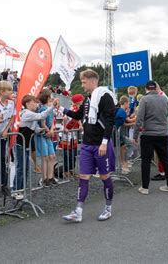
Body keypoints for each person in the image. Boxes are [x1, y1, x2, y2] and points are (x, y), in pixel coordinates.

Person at [62, 69, 116, 223]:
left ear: (93, 81)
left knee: (105, 177)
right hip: (86, 144)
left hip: (101, 144)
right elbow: (79, 115)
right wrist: (61, 108)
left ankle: (108, 208)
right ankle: (78, 211)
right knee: (83, 177)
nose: (83, 85)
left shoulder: (105, 96)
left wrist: (105, 142)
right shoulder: (87, 99)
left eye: (84, 82)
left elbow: (110, 120)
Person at [133, 81, 168, 195]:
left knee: (146, 160)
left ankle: (145, 187)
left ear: (146, 89)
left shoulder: (144, 100)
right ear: (156, 88)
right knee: (165, 159)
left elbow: (139, 119)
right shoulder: (164, 99)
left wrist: (135, 135)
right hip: (162, 134)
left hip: (148, 134)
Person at [14, 95, 57, 197]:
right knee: (21, 168)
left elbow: (35, 127)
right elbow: (42, 116)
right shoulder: (26, 113)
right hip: (20, 144)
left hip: (26, 143)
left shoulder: (30, 114)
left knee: (25, 168)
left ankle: (22, 189)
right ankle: (16, 190)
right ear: (28, 104)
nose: (36, 104)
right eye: (34, 102)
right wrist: (52, 106)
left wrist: (40, 130)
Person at [35, 89, 57, 187]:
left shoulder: (49, 108)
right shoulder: (43, 109)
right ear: (48, 97)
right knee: (45, 157)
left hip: (47, 134)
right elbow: (42, 123)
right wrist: (49, 131)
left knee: (52, 156)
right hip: (42, 135)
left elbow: (52, 121)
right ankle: (44, 179)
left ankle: (50, 177)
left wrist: (51, 130)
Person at [61, 94, 84, 179]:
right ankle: (66, 171)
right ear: (78, 101)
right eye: (82, 100)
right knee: (67, 153)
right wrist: (64, 128)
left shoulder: (77, 109)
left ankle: (72, 170)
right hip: (67, 134)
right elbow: (65, 118)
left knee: (73, 153)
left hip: (73, 134)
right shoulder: (72, 108)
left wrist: (80, 125)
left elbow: (78, 118)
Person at [114, 95, 131, 174]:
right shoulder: (122, 110)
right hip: (115, 132)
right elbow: (129, 120)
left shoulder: (121, 110)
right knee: (126, 145)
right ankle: (122, 164)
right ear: (125, 103)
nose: (129, 105)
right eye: (128, 103)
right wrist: (138, 118)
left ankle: (123, 163)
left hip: (117, 132)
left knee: (123, 146)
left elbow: (124, 123)